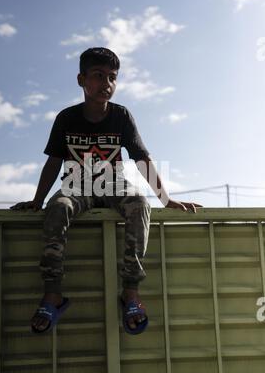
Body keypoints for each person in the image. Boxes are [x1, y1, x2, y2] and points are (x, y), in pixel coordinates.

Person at [11, 47, 202, 335]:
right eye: (99, 76)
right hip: (77, 184)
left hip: (113, 183)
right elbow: (53, 162)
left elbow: (141, 159)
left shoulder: (121, 116)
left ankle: (130, 291)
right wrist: (38, 201)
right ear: (81, 80)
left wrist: (166, 199)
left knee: (139, 203)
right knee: (59, 206)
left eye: (112, 77)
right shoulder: (66, 118)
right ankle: (53, 294)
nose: (106, 84)